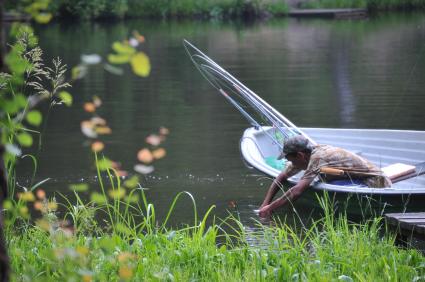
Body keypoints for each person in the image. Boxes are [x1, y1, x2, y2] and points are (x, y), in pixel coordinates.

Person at [258, 135, 392, 218]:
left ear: (300, 155)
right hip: (355, 177)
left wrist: (270, 209)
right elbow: (281, 178)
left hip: (375, 182)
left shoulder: (318, 157)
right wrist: (265, 203)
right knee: (321, 178)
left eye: (292, 160)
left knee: (319, 182)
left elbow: (297, 191)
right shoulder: (306, 155)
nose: (292, 164)